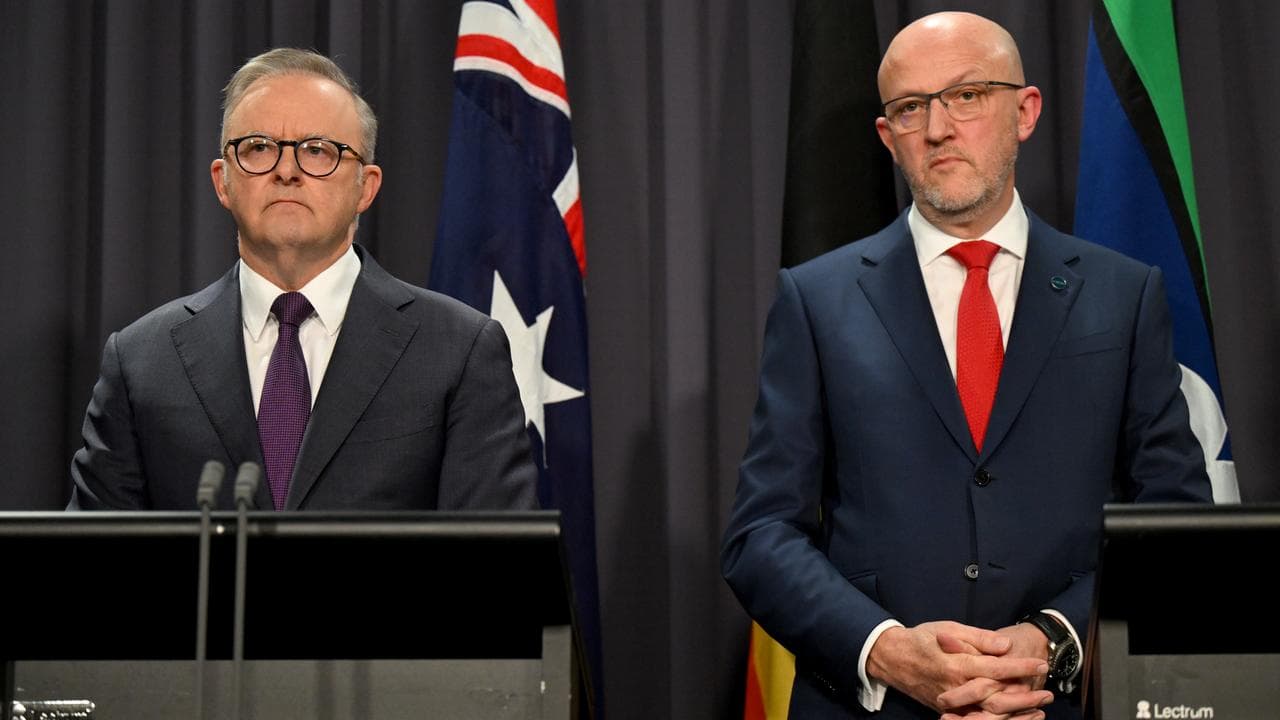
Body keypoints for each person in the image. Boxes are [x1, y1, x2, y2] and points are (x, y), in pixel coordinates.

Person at [721, 12, 1211, 720]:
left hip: (1064, 702)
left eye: (968, 95)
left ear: (1025, 111)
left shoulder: (1123, 295)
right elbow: (760, 534)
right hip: (876, 707)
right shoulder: (817, 300)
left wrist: (1054, 642)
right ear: (889, 139)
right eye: (911, 108)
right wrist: (885, 649)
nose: (939, 127)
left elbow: (1176, 516)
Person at [69, 48, 537, 512]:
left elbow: (493, 565)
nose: (286, 171)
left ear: (366, 186)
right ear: (222, 181)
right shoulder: (142, 361)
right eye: (258, 148)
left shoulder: (458, 350)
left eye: (319, 151)